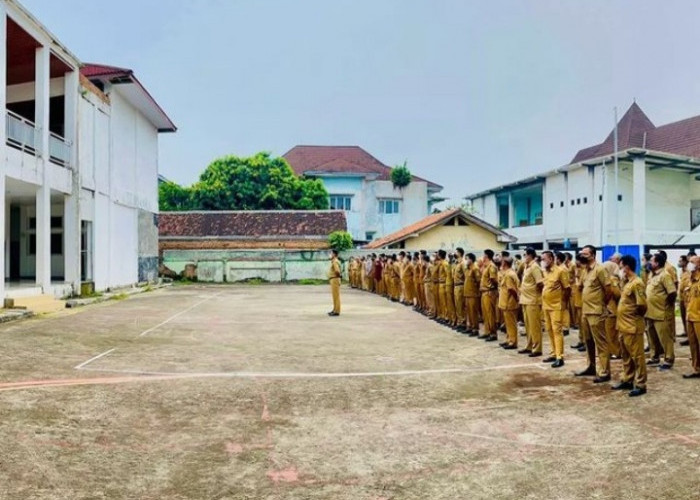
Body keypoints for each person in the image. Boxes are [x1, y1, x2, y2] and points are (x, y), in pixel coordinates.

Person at [612, 255, 648, 396]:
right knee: (626, 356)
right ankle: (627, 379)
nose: (620, 269)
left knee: (637, 357)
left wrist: (634, 317)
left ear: (626, 267)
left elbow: (642, 305)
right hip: (622, 325)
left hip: (632, 326)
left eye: (621, 266)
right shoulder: (627, 282)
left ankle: (640, 384)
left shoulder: (637, 283)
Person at [576, 245, 613, 382]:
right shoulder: (585, 270)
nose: (582, 256)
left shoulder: (600, 269)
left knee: (601, 343)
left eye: (585, 254)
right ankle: (591, 366)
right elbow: (580, 286)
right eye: (581, 253)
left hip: (596, 312)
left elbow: (608, 289)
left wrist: (602, 304)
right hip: (586, 311)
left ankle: (604, 371)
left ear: (592, 255)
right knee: (588, 341)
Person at [645, 252, 676, 370]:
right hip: (650, 313)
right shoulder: (652, 275)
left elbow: (672, 292)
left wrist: (666, 305)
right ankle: (654, 357)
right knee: (652, 337)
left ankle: (668, 359)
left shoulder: (665, 275)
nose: (649, 263)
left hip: (661, 312)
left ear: (657, 263)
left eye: (651, 261)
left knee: (665, 338)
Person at [541, 250, 569, 368]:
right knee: (549, 330)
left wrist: (563, 303)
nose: (542, 261)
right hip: (546, 305)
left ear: (551, 259)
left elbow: (567, 289)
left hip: (556, 306)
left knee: (557, 330)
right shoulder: (546, 272)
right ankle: (553, 353)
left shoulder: (560, 271)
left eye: (544, 259)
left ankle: (559, 356)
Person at [519, 247, 544, 357]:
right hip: (525, 299)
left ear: (530, 255)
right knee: (528, 326)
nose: (524, 257)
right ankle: (529, 345)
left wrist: (536, 295)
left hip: (533, 300)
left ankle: (537, 348)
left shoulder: (535, 267)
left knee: (535, 326)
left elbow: (540, 283)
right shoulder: (526, 267)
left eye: (525, 255)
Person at [683, 255, 700, 379]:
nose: (689, 264)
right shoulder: (690, 279)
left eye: (692, 262)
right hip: (690, 316)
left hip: (699, 317)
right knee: (693, 345)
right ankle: (697, 368)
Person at [498, 256, 520, 349]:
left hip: (509, 303)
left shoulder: (509, 274)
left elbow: (511, 289)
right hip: (506, 302)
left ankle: (513, 342)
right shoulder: (508, 273)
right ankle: (509, 339)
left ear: (505, 263)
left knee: (511, 323)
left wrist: (516, 299)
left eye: (502, 262)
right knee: (508, 323)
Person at [602, 260, 622, 359]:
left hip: (611, 310)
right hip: (609, 309)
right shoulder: (610, 279)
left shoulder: (612, 280)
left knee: (612, 333)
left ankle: (616, 352)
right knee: (608, 332)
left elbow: (617, 294)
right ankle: (611, 351)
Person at [480, 249, 499, 341]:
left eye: (483, 255)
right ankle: (487, 331)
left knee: (490, 313)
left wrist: (492, 289)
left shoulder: (492, 266)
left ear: (486, 256)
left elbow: (494, 280)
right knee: (485, 314)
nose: (482, 257)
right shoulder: (486, 266)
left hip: (489, 292)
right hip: (484, 292)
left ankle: (493, 333)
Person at [464, 253, 482, 336]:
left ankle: (475, 329)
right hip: (467, 293)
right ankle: (470, 327)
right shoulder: (468, 269)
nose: (466, 260)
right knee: (468, 312)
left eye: (467, 259)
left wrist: (476, 292)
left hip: (473, 294)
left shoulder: (475, 268)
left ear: (471, 259)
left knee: (473, 312)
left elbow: (478, 281)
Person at [453, 248, 467, 333]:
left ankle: (463, 323)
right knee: (457, 305)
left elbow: (466, 277)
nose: (454, 253)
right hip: (456, 286)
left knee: (461, 305)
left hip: (461, 286)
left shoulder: (463, 263)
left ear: (459, 253)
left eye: (456, 251)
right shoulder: (457, 263)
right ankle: (459, 322)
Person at [678, 254, 690, 345]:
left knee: (688, 318)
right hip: (682, 298)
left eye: (680, 261)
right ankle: (687, 333)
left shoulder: (689, 272)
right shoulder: (681, 272)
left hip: (688, 299)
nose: (679, 263)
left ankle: (690, 336)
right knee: (683, 317)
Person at [328, 249, 342, 316]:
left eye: (331, 253)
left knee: (336, 296)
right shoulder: (333, 261)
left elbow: (337, 271)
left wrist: (338, 277)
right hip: (334, 279)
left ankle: (337, 311)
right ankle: (334, 309)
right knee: (334, 296)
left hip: (335, 279)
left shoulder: (335, 261)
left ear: (334, 254)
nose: (330, 254)